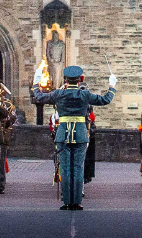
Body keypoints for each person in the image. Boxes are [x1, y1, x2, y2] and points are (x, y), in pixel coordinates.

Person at [32, 64, 116, 210]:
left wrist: (36, 81)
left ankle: (67, 202)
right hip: (80, 133)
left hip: (63, 132)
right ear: (78, 80)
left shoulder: (58, 93)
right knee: (78, 168)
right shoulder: (84, 94)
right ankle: (76, 202)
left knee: (65, 168)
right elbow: (105, 100)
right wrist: (112, 86)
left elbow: (38, 96)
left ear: (65, 80)